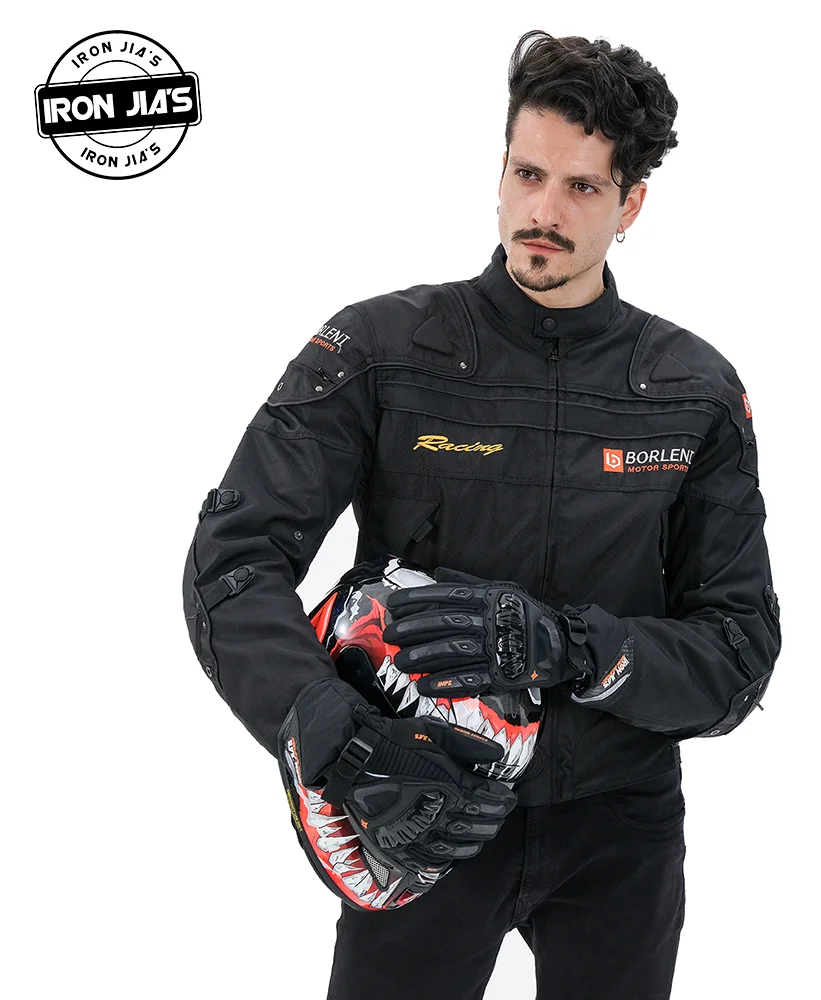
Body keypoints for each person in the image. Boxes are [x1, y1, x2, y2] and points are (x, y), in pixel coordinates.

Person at [182, 28, 782, 999]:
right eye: (527, 174)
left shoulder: (693, 392)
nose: (543, 211)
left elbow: (739, 649)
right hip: (420, 804)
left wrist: (575, 649)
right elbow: (233, 561)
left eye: (582, 187)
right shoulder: (378, 350)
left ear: (630, 203)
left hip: (618, 832)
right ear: (499, 172)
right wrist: (332, 733)